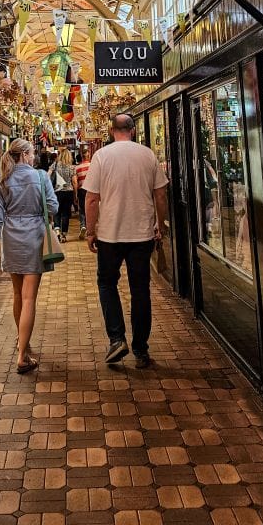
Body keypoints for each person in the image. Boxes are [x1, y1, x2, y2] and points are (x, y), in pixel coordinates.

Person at [83, 113, 169, 368]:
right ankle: (141, 350)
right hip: (142, 234)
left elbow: (91, 199)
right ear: (133, 130)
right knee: (140, 289)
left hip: (109, 235)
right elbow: (161, 195)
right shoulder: (147, 155)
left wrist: (90, 231)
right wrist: (159, 225)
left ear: (112, 131)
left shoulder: (101, 156)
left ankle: (117, 338)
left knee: (107, 284)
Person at [0, 138, 58, 374]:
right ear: (25, 155)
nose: (34, 157)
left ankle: (22, 342)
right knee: (29, 299)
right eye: (32, 153)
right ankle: (22, 356)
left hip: (11, 239)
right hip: (34, 237)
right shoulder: (40, 177)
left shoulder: (2, 180)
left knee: (17, 295)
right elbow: (53, 206)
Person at [51, 147, 76, 241]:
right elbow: (74, 182)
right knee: (66, 213)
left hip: (57, 192)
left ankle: (57, 230)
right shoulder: (71, 167)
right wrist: (75, 194)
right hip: (68, 192)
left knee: (57, 212)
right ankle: (64, 234)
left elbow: (48, 176)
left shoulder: (55, 165)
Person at [74, 147, 92, 239]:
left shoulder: (77, 168)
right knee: (91, 208)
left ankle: (83, 225)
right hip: (91, 189)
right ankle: (90, 228)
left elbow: (75, 182)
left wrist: (75, 194)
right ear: (88, 156)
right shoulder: (92, 166)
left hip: (82, 190)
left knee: (82, 209)